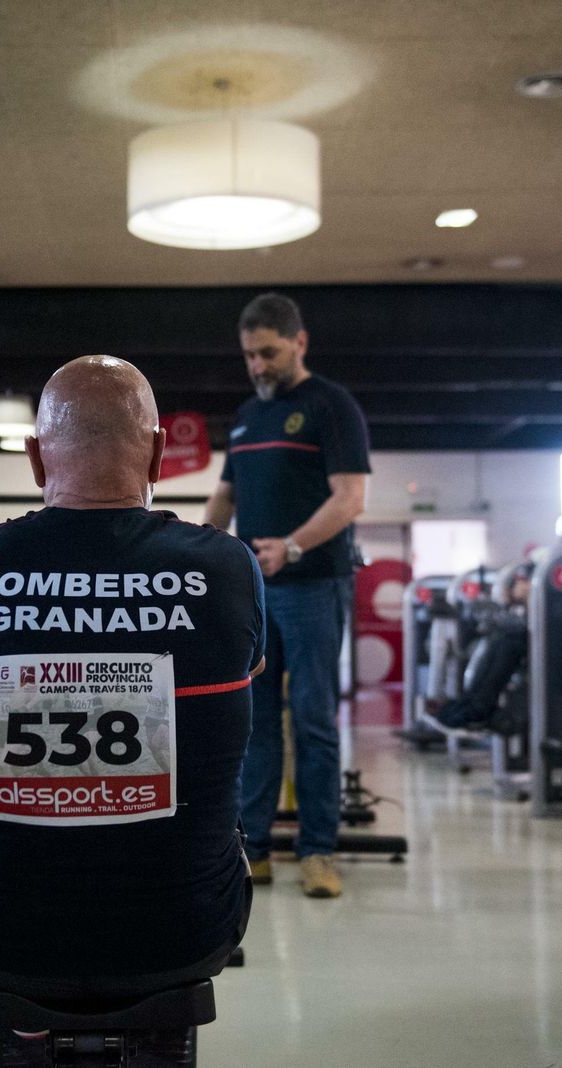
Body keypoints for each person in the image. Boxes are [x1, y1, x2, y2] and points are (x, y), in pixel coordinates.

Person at [0, 355, 264, 999]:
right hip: (189, 932)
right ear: (161, 454)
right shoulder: (225, 568)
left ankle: (27, 1018)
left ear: (34, 458)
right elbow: (250, 665)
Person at [204, 292, 370, 899]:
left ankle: (318, 851)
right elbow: (224, 498)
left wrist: (292, 547)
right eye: (249, 355)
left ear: (300, 343)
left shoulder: (332, 406)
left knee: (313, 720)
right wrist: (197, 554)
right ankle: (255, 847)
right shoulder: (248, 415)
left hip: (314, 587)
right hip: (253, 594)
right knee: (253, 722)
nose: (258, 366)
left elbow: (350, 497)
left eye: (268, 353)